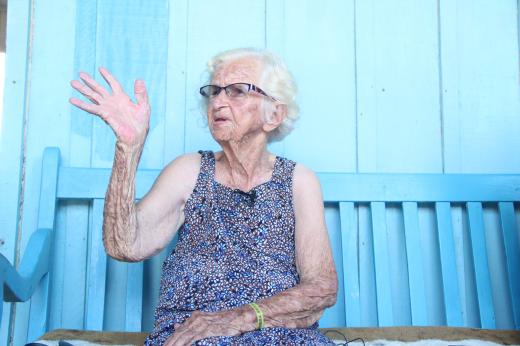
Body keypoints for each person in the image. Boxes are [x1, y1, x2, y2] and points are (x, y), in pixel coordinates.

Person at [70, 48, 338, 345]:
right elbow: (124, 245)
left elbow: (322, 288)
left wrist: (238, 318)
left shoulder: (299, 181)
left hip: (278, 334)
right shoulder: (190, 171)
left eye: (238, 91)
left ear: (274, 114)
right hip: (193, 335)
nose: (218, 102)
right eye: (214, 92)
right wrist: (128, 148)